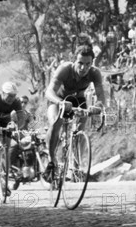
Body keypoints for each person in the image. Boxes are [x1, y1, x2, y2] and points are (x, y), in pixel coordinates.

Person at [44, 44, 106, 177]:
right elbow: (49, 92)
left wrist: (98, 106)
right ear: (74, 61)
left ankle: (76, 165)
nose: (84, 68)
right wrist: (60, 102)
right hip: (57, 99)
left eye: (88, 64)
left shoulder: (94, 73)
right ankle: (51, 160)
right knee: (56, 122)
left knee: (80, 129)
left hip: (78, 100)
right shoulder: (65, 69)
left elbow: (101, 97)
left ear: (92, 63)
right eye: (80, 63)